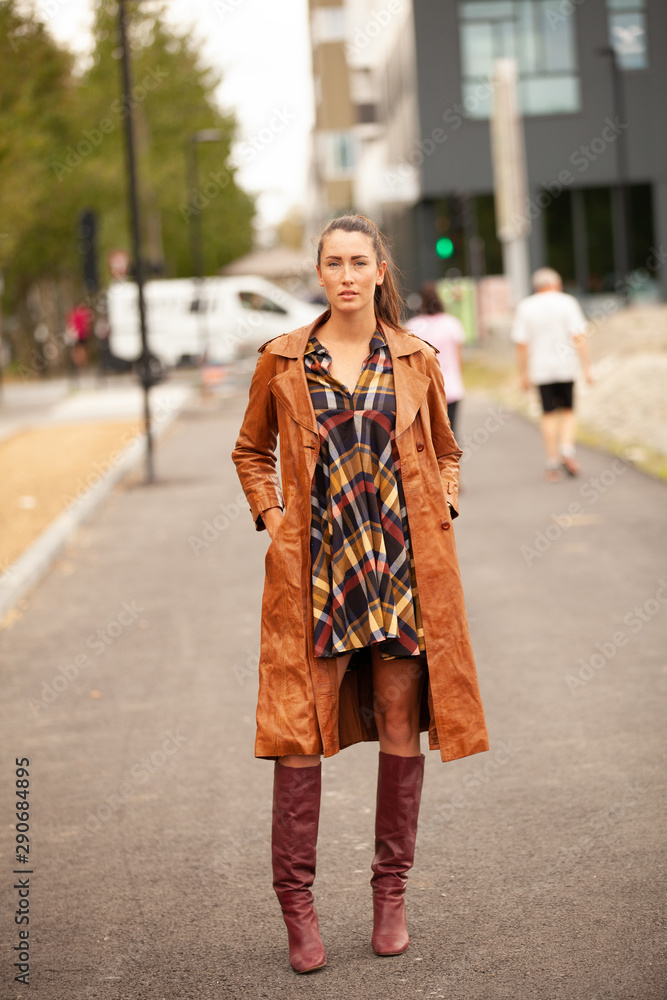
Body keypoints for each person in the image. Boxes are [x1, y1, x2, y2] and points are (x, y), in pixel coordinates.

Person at [232, 214, 488, 974]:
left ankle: (389, 895)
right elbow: (251, 450)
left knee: (402, 719)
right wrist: (274, 520)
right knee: (297, 730)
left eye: (358, 262)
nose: (345, 275)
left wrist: (441, 506)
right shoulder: (282, 358)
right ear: (320, 274)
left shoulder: (415, 357)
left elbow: (445, 451)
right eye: (333, 263)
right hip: (316, 572)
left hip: (403, 570)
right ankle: (298, 909)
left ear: (380, 271)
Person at [511, 268, 593, 481]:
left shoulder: (525, 306)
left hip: (540, 368)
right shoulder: (568, 302)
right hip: (566, 366)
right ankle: (567, 449)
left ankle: (552, 461)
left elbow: (521, 344)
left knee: (548, 414)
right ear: (556, 284)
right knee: (568, 410)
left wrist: (523, 374)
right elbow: (579, 337)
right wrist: (587, 367)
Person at [406, 282, 466, 437]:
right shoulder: (452, 323)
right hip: (451, 386)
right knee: (450, 434)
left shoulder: (413, 326)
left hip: (424, 390)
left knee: (429, 436)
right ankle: (452, 461)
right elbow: (459, 357)